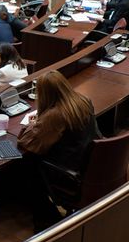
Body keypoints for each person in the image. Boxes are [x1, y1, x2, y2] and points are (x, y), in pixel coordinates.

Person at [17, 70, 99, 229]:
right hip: (88, 163)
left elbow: (27, 142)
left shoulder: (55, 115)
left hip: (69, 171)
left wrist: (33, 124)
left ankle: (46, 218)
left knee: (27, 165)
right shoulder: (82, 100)